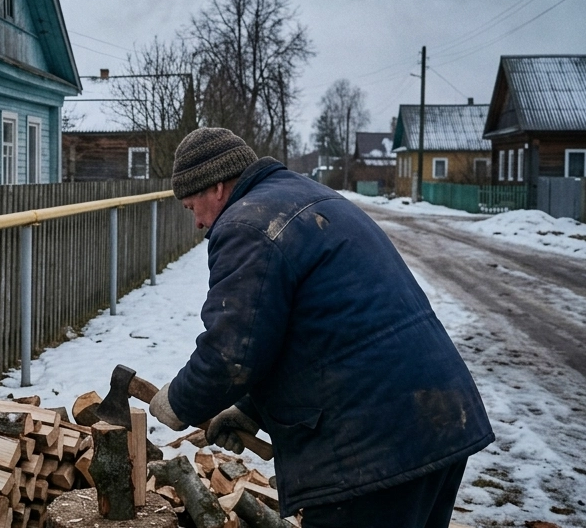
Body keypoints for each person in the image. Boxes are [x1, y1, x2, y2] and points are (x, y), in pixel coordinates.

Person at [147, 127, 493, 528]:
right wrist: (250, 409)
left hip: (372, 449)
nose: (197, 223)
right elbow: (317, 328)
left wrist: (180, 404)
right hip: (437, 417)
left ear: (218, 187)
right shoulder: (309, 197)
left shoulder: (246, 225)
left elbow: (230, 354)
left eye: (192, 208)